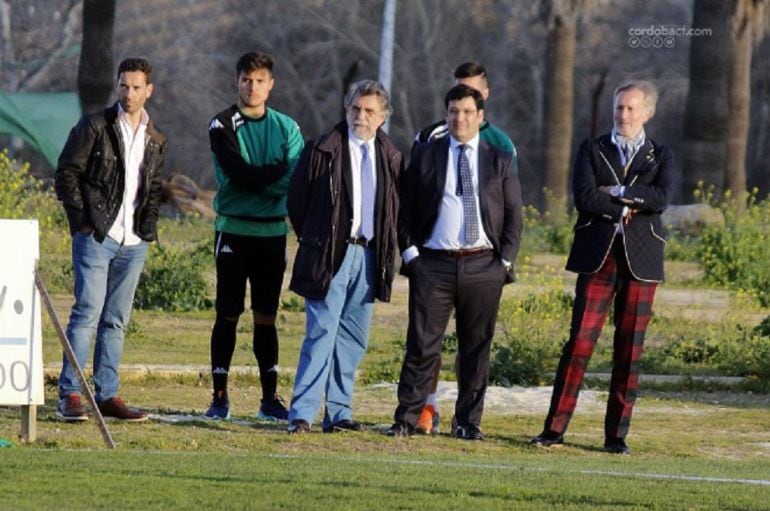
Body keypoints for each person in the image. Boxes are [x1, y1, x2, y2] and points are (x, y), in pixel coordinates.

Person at [531, 80, 675, 455]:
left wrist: (617, 193)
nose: (623, 115)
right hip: (598, 257)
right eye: (618, 108)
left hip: (641, 261)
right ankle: (554, 429)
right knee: (579, 341)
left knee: (629, 350)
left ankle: (616, 437)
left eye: (630, 108)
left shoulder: (661, 154)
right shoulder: (591, 148)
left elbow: (660, 198)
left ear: (646, 113)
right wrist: (624, 207)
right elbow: (585, 196)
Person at [387, 84, 523, 440]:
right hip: (433, 264)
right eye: (452, 111)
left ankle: (467, 422)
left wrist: (504, 262)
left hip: (483, 266)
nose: (459, 118)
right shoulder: (427, 154)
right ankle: (407, 418)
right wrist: (411, 253)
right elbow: (405, 209)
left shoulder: (499, 158)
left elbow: (514, 216)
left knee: (475, 349)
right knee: (422, 344)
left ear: (480, 116)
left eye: (466, 112)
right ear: (445, 115)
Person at [286, 79, 403, 434]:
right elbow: (297, 202)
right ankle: (302, 414)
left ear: (382, 117)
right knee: (320, 332)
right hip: (330, 255)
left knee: (353, 338)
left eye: (369, 111)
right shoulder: (323, 149)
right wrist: (316, 240)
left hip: (369, 259)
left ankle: (339, 412)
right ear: (346, 109)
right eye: (355, 108)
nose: (360, 116)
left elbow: (394, 211)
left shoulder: (391, 156)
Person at [54, 57, 165, 422]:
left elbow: (154, 188)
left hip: (134, 242)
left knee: (116, 319)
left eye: (136, 87)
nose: (128, 93)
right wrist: (82, 223)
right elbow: (67, 173)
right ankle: (70, 393)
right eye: (123, 85)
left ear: (148, 90)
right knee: (86, 313)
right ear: (117, 86)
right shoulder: (95, 126)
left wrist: (147, 229)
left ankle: (107, 395)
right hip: (97, 236)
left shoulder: (155, 138)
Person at [204, 52, 304, 421]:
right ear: (237, 81)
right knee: (227, 314)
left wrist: (261, 179)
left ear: (271, 84)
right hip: (234, 229)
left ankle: (269, 399)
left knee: (267, 317)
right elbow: (237, 175)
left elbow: (293, 178)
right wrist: (270, 178)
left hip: (272, 234)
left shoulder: (288, 128)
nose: (252, 86)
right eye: (246, 79)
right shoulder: (221, 123)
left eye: (260, 80)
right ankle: (219, 397)